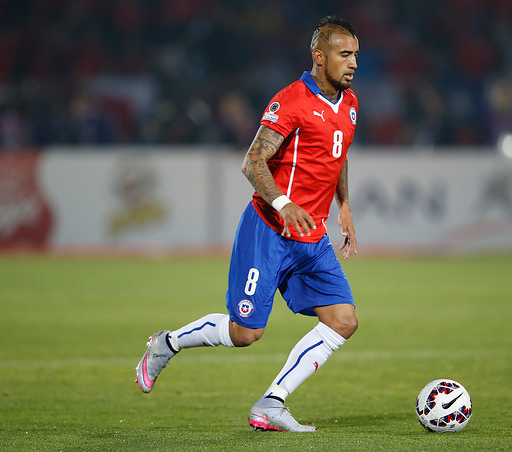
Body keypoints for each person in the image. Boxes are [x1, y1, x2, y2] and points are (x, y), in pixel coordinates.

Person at [135, 15, 360, 433]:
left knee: (344, 321)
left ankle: (272, 403)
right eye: (344, 54)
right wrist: (282, 201)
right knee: (244, 333)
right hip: (269, 231)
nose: (352, 63)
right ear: (319, 55)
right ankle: (167, 344)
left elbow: (339, 151)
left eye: (355, 56)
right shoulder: (291, 99)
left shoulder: (349, 103)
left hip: (312, 238)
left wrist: (344, 203)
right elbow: (252, 161)